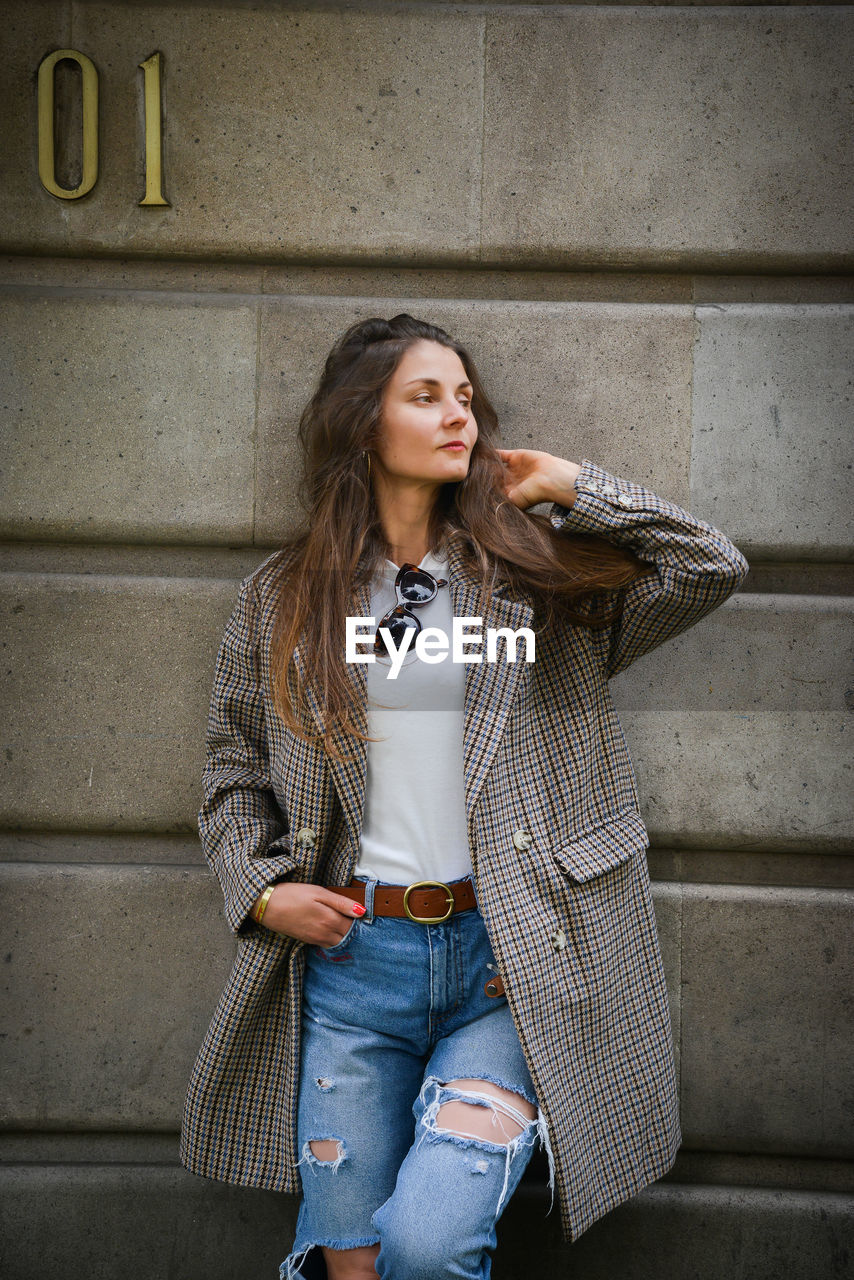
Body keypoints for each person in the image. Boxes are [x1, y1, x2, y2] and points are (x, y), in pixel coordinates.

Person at [180, 313, 748, 1279]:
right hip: (355, 968)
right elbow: (234, 770)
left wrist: (571, 486)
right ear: (364, 423)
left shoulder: (532, 584)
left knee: (427, 1244)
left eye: (466, 398)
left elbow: (709, 565)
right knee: (350, 1265)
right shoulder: (286, 598)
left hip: (508, 961)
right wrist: (263, 887)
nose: (460, 418)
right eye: (426, 396)